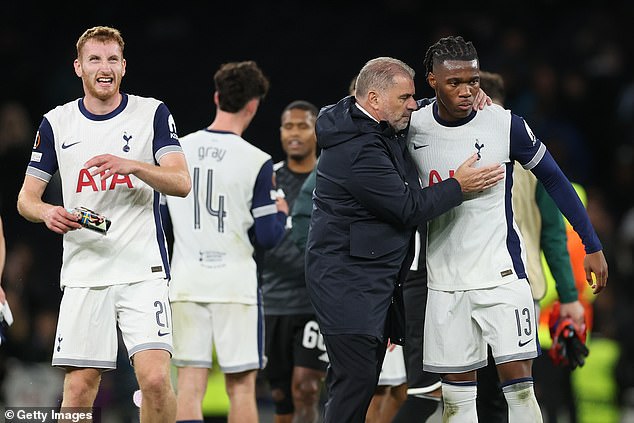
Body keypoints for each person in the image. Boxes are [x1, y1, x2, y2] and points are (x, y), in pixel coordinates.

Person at [408, 35, 608, 422]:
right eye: (455, 83)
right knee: (457, 400)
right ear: (431, 80)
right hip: (443, 283)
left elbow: (556, 180)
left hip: (502, 278)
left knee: (519, 392)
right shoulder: (412, 128)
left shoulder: (503, 124)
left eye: (473, 81)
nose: (466, 91)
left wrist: (592, 244)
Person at [305, 56, 505, 423]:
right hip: (347, 283)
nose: (414, 105)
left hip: (368, 279)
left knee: (356, 383)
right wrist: (458, 186)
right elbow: (407, 207)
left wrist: (459, 99)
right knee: (356, 382)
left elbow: (418, 111)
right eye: (406, 98)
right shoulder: (356, 150)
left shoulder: (369, 125)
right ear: (375, 99)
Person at [16, 26, 191, 422]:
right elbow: (26, 199)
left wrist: (131, 164)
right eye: (95, 59)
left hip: (141, 269)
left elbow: (181, 182)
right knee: (78, 390)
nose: (104, 67)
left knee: (156, 380)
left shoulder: (152, 113)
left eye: (112, 59)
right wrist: (48, 212)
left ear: (124, 66)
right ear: (78, 67)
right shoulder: (56, 123)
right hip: (84, 272)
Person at [163, 61, 287, 423]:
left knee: (189, 387)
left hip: (186, 282)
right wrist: (280, 212)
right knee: (241, 389)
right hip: (235, 286)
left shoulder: (177, 151)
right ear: (254, 105)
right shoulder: (258, 161)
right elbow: (268, 236)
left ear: (216, 97)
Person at [474, 70, 585, 422]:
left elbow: (554, 233)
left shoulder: (459, 152)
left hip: (469, 286)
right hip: (522, 289)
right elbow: (552, 234)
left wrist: (568, 297)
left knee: (475, 392)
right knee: (515, 390)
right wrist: (568, 298)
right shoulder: (530, 152)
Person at [257, 100, 326, 423]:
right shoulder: (266, 180)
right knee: (281, 398)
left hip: (315, 302)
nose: (294, 133)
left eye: (303, 125)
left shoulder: (330, 179)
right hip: (272, 302)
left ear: (317, 130)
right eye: (288, 126)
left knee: (307, 388)